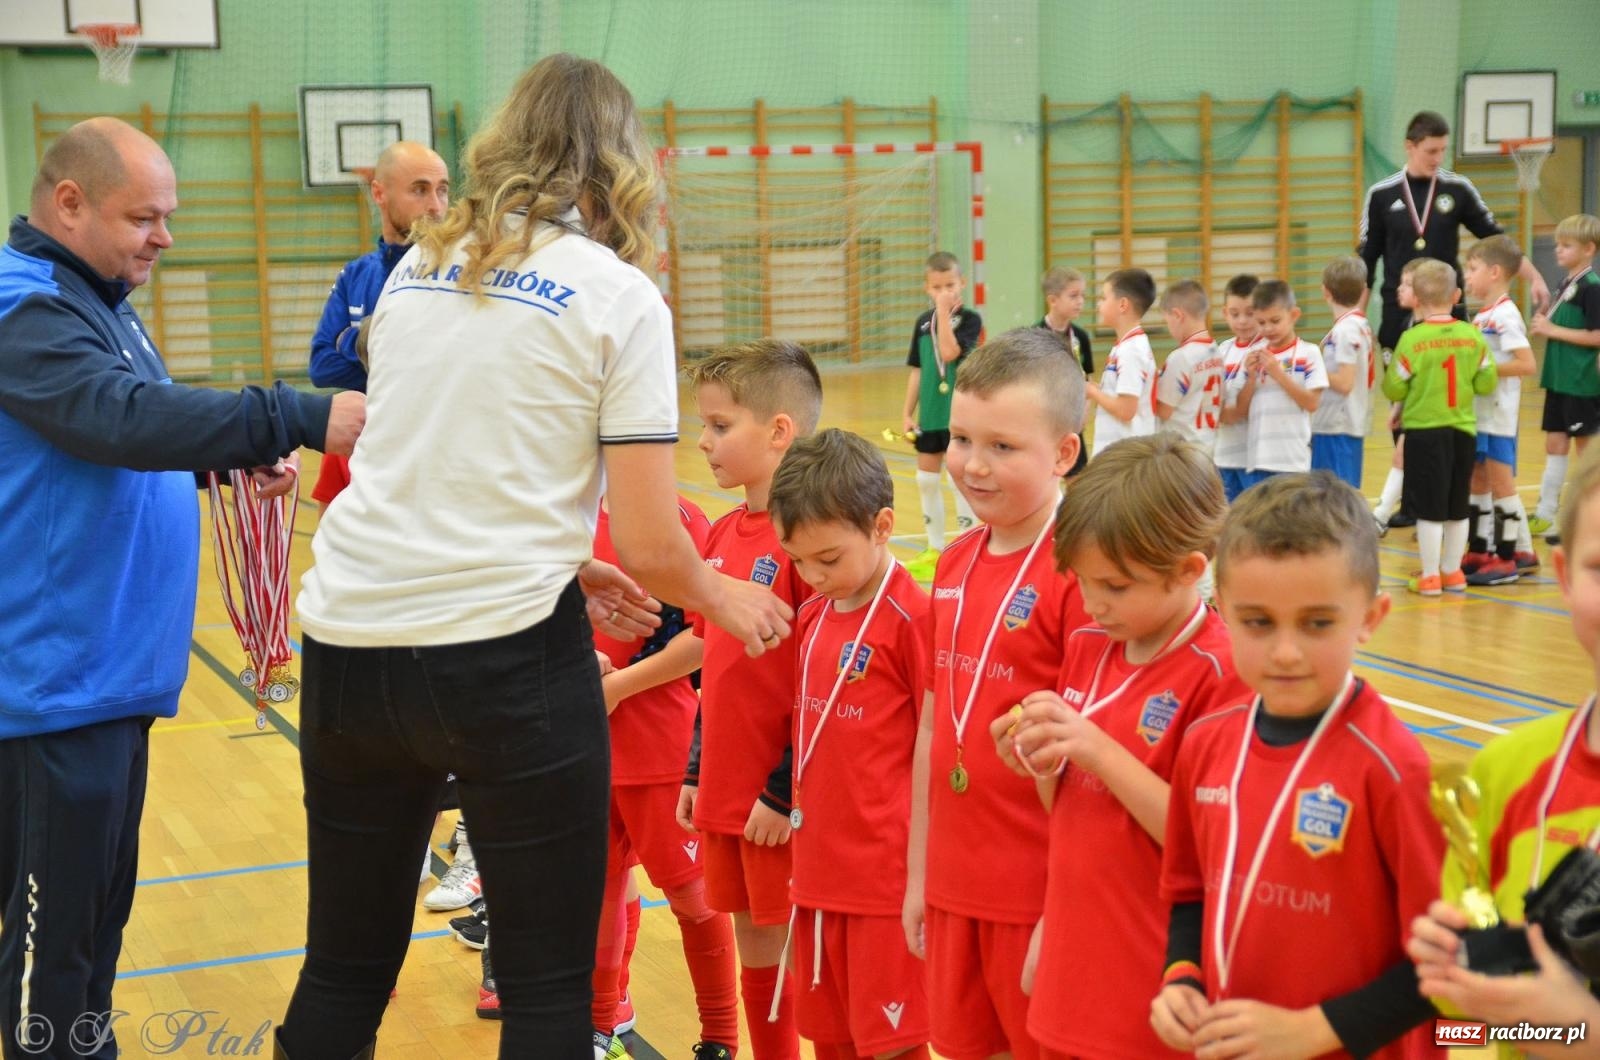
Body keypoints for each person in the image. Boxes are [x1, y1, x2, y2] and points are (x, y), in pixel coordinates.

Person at [284, 55, 793, 1060]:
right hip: (503, 663)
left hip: (348, 647)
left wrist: (564, 562)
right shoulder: (617, 293)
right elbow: (654, 545)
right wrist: (724, 597)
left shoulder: (422, 266)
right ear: (618, 161)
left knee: (342, 970)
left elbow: (438, 468)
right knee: (547, 986)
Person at [0, 117, 363, 1060]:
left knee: (90, 937)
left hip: (105, 678)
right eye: (145, 217)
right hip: (49, 688)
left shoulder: (99, 302)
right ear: (69, 204)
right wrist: (300, 414)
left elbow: (121, 443)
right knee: (53, 960)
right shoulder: (21, 304)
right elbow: (111, 419)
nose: (164, 237)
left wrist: (230, 464)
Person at [1152, 472, 1446, 1060]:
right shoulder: (1205, 742)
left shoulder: (1392, 770)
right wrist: (1181, 978)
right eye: (1258, 622)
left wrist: (1315, 1031)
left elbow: (1445, 968)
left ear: (1370, 617)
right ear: (1223, 612)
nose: (1285, 652)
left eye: (1317, 623)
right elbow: (1188, 894)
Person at [994, 434, 1249, 1060]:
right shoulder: (1088, 644)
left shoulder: (1222, 673)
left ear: (1190, 569)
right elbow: (1075, 813)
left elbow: (1208, 840)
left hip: (1156, 978)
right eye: (1082, 581)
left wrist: (1095, 748)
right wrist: (1042, 757)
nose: (1092, 602)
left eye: (1116, 585)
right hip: (1073, 956)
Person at [904, 328, 1091, 1060]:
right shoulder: (952, 561)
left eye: (1003, 448)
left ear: (1064, 453)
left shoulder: (1081, 572)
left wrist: (1067, 909)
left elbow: (1082, 769)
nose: (973, 466)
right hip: (954, 887)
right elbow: (930, 727)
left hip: (1036, 895)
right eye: (960, 439)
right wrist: (919, 876)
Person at [1408, 444, 1600, 1059]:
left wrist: (1581, 1034)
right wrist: (1458, 973)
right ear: (1566, 577)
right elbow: (1463, 1031)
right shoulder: (1507, 773)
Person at [679, 339, 824, 1060]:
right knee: (752, 940)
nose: (702, 442)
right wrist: (698, 769)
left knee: (804, 950)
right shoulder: (720, 532)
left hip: (783, 796)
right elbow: (716, 667)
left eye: (719, 425)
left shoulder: (811, 544)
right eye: (702, 425)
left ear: (778, 431)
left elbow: (820, 685)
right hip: (729, 789)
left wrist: (780, 787)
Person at [770, 429, 932, 1060]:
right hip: (815, 877)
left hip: (882, 887)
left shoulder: (914, 620)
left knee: (891, 1046)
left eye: (828, 559)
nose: (811, 576)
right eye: (798, 560)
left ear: (883, 526)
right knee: (831, 1041)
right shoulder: (813, 615)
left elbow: (935, 749)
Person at [306, 140, 448, 506]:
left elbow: (443, 374)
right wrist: (394, 355)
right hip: (366, 446)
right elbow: (321, 366)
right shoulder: (357, 274)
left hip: (438, 456)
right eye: (420, 190)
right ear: (379, 193)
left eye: (443, 191)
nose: (436, 206)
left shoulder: (458, 276)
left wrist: (355, 340)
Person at [1357, 109, 1548, 354]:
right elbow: (1368, 259)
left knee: (1453, 384)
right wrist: (1358, 315)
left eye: (1442, 150)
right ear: (1410, 146)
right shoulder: (1381, 195)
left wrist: (1534, 277)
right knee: (1400, 386)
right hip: (1399, 306)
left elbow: (1497, 241)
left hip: (1448, 305)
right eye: (1431, 151)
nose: (1438, 158)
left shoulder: (1458, 189)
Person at [1382, 258, 1497, 596]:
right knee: (1456, 503)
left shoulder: (1413, 340)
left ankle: (1430, 576)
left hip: (1423, 432)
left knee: (1429, 507)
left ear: (1415, 298)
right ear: (1457, 294)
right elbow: (1487, 382)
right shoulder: (1471, 335)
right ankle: (1453, 573)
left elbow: (1394, 388)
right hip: (1463, 430)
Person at [1461, 235, 1539, 585]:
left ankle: (1506, 559)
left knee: (1501, 484)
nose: (1467, 276)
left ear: (1494, 272)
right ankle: (1482, 547)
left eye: (1472, 269)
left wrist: (1483, 369)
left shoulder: (1505, 315)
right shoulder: (1483, 316)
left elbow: (1526, 364)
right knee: (1477, 479)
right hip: (1480, 414)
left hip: (1498, 417)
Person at [902, 251, 983, 581]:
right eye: (937, 287)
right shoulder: (922, 323)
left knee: (959, 480)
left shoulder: (970, 320)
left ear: (962, 284)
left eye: (950, 285)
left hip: (960, 416)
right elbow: (919, 370)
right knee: (926, 480)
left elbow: (949, 353)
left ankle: (966, 546)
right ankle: (935, 549)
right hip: (931, 416)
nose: (944, 292)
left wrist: (943, 312)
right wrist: (907, 413)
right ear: (927, 287)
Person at [1530, 214, 1600, 544]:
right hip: (1559, 380)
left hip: (1581, 382)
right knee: (1554, 444)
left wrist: (1552, 329)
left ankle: (1586, 518)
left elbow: (1597, 335)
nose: (1557, 250)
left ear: (1589, 249)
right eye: (1557, 243)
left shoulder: (1592, 288)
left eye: (1566, 245)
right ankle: (1546, 514)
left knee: (1587, 454)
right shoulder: (1566, 284)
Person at [1233, 280, 1328, 491]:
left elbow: (1312, 403)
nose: (1268, 328)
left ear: (1294, 315)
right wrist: (1249, 378)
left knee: (1292, 520)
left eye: (1275, 321)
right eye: (1261, 322)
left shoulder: (1309, 353)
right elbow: (1241, 409)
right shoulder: (1253, 354)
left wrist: (1278, 373)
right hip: (1258, 458)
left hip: (1292, 459)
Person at [1310, 256, 1376, 489]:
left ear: (1325, 292)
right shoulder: (1358, 324)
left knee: (1335, 497)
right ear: (1362, 291)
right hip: (1343, 423)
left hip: (1337, 425)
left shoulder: (1345, 331)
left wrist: (1313, 366)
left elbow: (1345, 383)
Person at [1373, 259, 1425, 533]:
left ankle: (1380, 516)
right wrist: (1397, 407)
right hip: (1414, 408)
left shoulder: (1425, 330)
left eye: (1407, 284)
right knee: (1404, 458)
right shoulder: (1408, 323)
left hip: (1429, 411)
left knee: (1404, 458)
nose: (1399, 288)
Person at [1086, 268, 1158, 458]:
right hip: (1121, 452)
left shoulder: (1131, 350)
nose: (1099, 304)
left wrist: (1093, 393)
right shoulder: (1126, 346)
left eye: (1104, 298)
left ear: (1122, 305)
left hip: (1125, 457)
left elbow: (1126, 410)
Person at [1036, 266, 1093, 476]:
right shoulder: (1035, 335)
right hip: (1043, 424)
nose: (1080, 301)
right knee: (1045, 478)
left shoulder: (1081, 337)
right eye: (1073, 296)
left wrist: (1084, 412)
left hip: (1073, 424)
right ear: (1053, 300)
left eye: (1082, 296)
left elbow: (1087, 379)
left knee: (1078, 481)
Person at [1155, 279, 1222, 449]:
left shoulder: (1181, 357)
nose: (1169, 327)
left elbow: (1164, 410)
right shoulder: (1217, 352)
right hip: (1209, 445)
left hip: (1182, 451)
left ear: (1177, 315)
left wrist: (1150, 384)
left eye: (1167, 320)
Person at [1214, 274, 1263, 503]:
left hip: (1253, 457)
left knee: (1253, 516)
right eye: (1235, 314)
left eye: (1250, 313)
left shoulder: (1266, 349)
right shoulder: (1222, 350)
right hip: (1223, 454)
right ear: (1225, 313)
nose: (1242, 321)